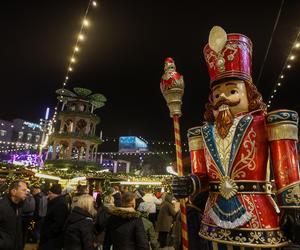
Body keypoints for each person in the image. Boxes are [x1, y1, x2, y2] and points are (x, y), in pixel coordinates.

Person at [171, 26, 300, 249]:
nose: (222, 97)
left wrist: (292, 207)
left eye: (232, 91)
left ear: (249, 94)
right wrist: (190, 182)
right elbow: (202, 174)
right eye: (217, 93)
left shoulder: (268, 122)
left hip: (259, 214)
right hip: (213, 217)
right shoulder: (202, 132)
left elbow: (285, 167)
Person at [39, 183, 69, 250]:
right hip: (50, 238)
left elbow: (58, 224)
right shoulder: (57, 202)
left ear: (52, 193)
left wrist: (47, 234)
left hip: (52, 240)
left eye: (49, 193)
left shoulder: (60, 204)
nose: (48, 196)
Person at [0, 180, 27, 250]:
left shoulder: (20, 205)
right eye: (23, 190)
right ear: (13, 191)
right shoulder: (2, 206)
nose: (26, 193)